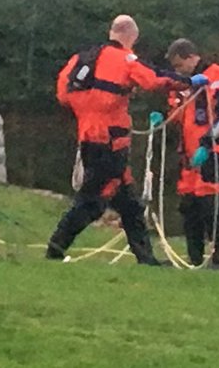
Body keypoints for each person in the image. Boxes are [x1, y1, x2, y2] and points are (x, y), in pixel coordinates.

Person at [46, 15, 198, 265]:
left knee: (129, 204)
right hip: (110, 140)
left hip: (88, 135)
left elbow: (63, 94)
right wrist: (188, 82)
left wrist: (89, 108)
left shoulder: (82, 58)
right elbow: (153, 80)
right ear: (131, 37)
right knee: (93, 201)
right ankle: (55, 248)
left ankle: (146, 259)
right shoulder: (127, 60)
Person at [166, 38, 219, 269]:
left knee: (212, 206)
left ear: (191, 57)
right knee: (190, 207)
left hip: (214, 151)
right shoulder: (186, 84)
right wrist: (164, 118)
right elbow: (178, 112)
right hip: (190, 156)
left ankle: (217, 259)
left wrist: (208, 143)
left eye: (180, 65)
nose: (178, 71)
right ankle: (194, 258)